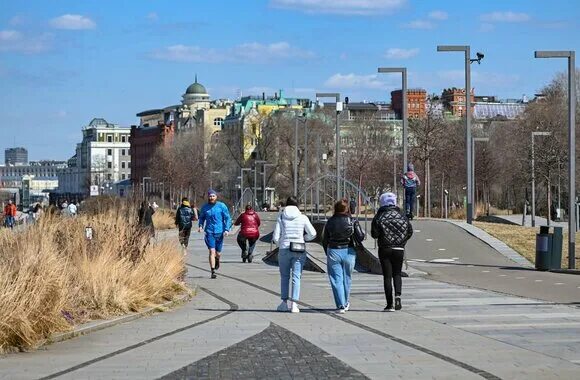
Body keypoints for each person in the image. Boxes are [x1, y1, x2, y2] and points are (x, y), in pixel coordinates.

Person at [272, 196, 317, 313]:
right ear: (297, 205)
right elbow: (313, 233)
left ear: (286, 205)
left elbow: (275, 237)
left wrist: (282, 242)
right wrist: (303, 238)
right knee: (296, 276)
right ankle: (294, 304)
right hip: (299, 249)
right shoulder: (303, 217)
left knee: (284, 276)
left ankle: (283, 303)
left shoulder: (281, 217)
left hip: (284, 249)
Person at [371, 192, 413, 312]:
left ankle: (389, 304)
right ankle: (398, 296)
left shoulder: (379, 216)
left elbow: (374, 234)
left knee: (387, 276)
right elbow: (409, 231)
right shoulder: (402, 216)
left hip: (385, 248)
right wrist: (402, 241)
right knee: (397, 274)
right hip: (399, 249)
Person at [322, 199, 356, 314]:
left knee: (336, 279)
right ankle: (346, 302)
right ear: (347, 209)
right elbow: (360, 236)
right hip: (349, 250)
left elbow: (324, 239)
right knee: (347, 278)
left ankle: (340, 304)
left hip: (334, 250)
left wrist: (327, 251)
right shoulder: (352, 220)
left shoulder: (330, 221)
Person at [198, 189, 231, 279]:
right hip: (209, 232)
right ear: (208, 197)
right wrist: (200, 226)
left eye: (213, 196)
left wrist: (227, 229)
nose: (211, 198)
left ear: (216, 197)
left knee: (218, 253)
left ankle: (217, 259)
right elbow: (201, 218)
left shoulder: (221, 206)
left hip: (220, 232)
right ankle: (212, 271)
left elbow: (227, 218)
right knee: (211, 251)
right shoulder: (205, 207)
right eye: (210, 196)